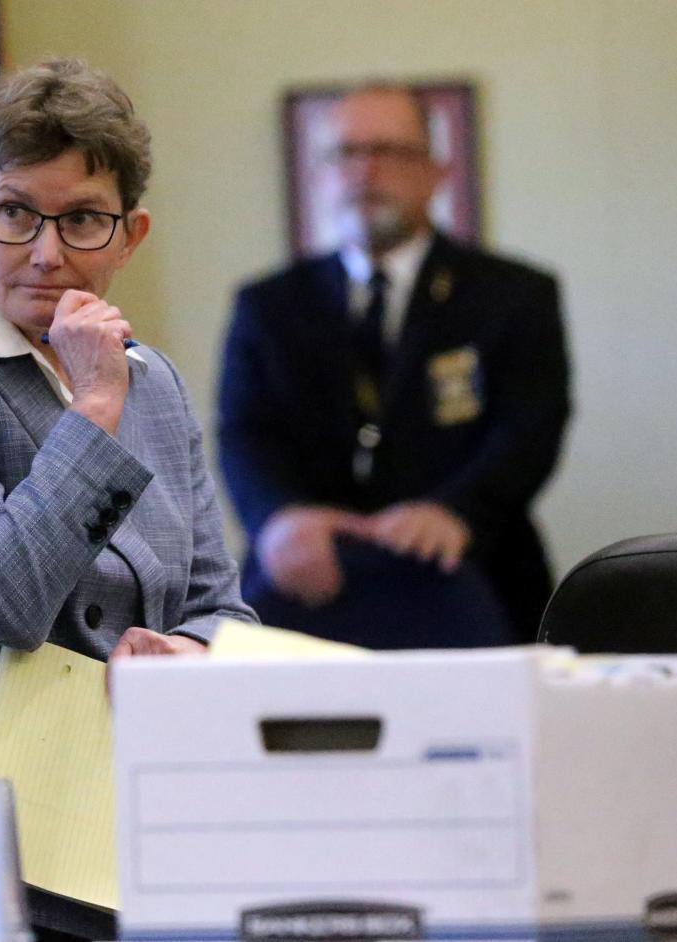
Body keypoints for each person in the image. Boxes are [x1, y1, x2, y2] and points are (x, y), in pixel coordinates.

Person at [0, 59, 256, 942]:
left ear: (130, 235)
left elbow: (225, 606)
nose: (48, 249)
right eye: (16, 211)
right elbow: (0, 595)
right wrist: (95, 411)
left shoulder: (155, 382)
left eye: (84, 219)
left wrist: (182, 646)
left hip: (140, 832)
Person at [218, 84, 570, 648]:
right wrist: (277, 518)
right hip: (303, 580)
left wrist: (456, 512)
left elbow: (530, 427)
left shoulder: (515, 295)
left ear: (437, 170)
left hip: (476, 577)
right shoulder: (269, 305)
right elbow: (244, 433)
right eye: (346, 153)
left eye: (389, 150)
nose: (365, 170)